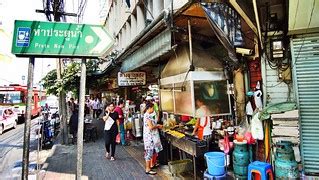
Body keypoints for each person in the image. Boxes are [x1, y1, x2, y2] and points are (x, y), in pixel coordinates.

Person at [143, 102, 163, 175]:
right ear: (149, 108)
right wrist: (157, 126)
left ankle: (152, 165)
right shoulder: (147, 116)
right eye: (153, 108)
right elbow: (151, 127)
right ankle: (147, 169)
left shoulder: (149, 115)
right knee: (148, 153)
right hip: (149, 138)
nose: (153, 109)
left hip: (151, 137)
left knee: (152, 152)